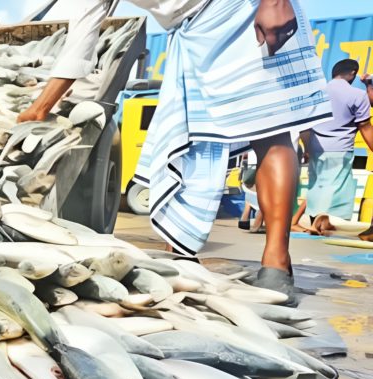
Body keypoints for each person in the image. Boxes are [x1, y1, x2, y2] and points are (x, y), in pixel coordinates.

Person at [20, 0, 332, 302]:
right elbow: (82, 39)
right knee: (189, 139)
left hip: (243, 12)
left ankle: (276, 263)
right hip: (190, 34)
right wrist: (40, 108)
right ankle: (182, 250)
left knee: (270, 129)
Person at [295, 60, 373, 236]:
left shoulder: (315, 93)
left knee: (318, 186)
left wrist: (307, 147)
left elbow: (305, 126)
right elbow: (365, 127)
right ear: (353, 73)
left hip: (316, 148)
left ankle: (316, 222)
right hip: (340, 148)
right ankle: (324, 224)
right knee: (337, 190)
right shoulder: (357, 95)